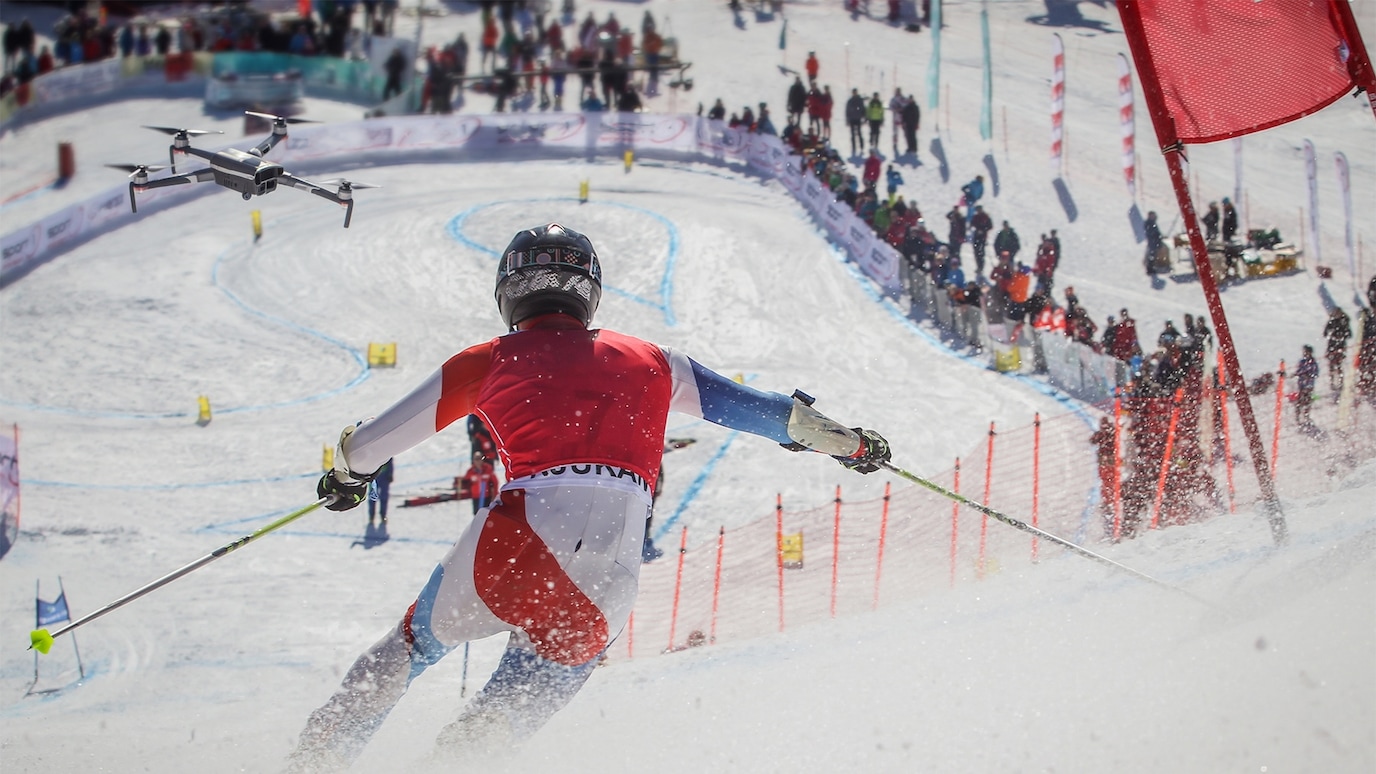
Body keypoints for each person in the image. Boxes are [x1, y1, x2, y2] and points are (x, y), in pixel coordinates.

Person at [292, 223, 892, 768]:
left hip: (517, 540)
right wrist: (851, 444)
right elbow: (774, 416)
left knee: (407, 648)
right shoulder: (655, 360)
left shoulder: (489, 360)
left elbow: (368, 447)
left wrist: (347, 476)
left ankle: (312, 761)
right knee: (497, 725)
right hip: (610, 572)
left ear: (507, 292)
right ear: (590, 292)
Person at [1089, 417, 1117, 540]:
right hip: (1109, 467)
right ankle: (1111, 528)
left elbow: (1093, 440)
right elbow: (1092, 440)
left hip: (1110, 468)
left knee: (1109, 497)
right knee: (1108, 496)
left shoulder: (1107, 435)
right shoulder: (1112, 434)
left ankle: (1111, 528)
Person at [1323, 306, 1352, 395]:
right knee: (1332, 365)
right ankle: (1332, 382)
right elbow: (1325, 333)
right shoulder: (1332, 321)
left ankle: (1340, 382)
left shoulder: (1344, 322)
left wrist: (1341, 336)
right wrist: (1331, 334)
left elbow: (1349, 334)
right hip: (1332, 346)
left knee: (1339, 365)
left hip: (1340, 346)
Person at [1294, 345, 1319, 428]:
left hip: (1308, 386)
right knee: (1299, 402)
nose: (1304, 353)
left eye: (1306, 351)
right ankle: (1298, 417)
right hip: (1302, 385)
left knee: (1307, 401)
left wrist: (1308, 375)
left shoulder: (1313, 362)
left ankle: (1306, 416)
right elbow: (1298, 371)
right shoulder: (1302, 361)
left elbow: (1315, 373)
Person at [368, 459, 394, 526]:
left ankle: (383, 515)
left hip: (384, 476)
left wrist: (390, 473)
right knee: (372, 497)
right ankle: (371, 516)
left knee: (384, 496)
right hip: (373, 477)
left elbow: (390, 461)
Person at [968, 205, 993, 275]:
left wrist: (983, 230)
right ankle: (978, 266)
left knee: (981, 253)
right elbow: (972, 224)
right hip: (976, 237)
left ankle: (981, 267)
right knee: (976, 252)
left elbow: (990, 226)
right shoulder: (976, 217)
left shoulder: (986, 217)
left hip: (983, 237)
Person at [845, 87, 867, 157]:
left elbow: (863, 109)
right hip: (852, 119)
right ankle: (854, 147)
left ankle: (861, 146)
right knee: (852, 135)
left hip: (858, 118)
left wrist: (864, 117)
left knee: (859, 133)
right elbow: (847, 110)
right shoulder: (850, 101)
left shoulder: (859, 100)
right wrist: (847, 119)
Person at [1144, 210, 1163, 276]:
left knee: (1154, 255)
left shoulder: (1153, 222)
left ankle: (1151, 267)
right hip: (1152, 242)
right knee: (1151, 255)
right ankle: (1150, 269)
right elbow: (1150, 232)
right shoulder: (1148, 223)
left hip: (1155, 242)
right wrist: (1155, 235)